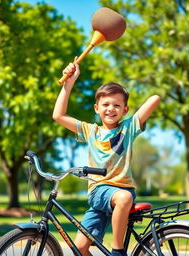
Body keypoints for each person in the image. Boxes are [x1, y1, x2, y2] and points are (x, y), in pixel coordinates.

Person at [53, 58, 160, 256]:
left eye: (117, 105)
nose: (111, 109)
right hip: (98, 192)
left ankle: (118, 251)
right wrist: (69, 83)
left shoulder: (129, 128)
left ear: (125, 110)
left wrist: (140, 106)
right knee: (79, 248)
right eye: (106, 104)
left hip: (122, 192)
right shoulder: (90, 131)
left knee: (124, 196)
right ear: (97, 108)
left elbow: (154, 99)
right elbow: (58, 116)